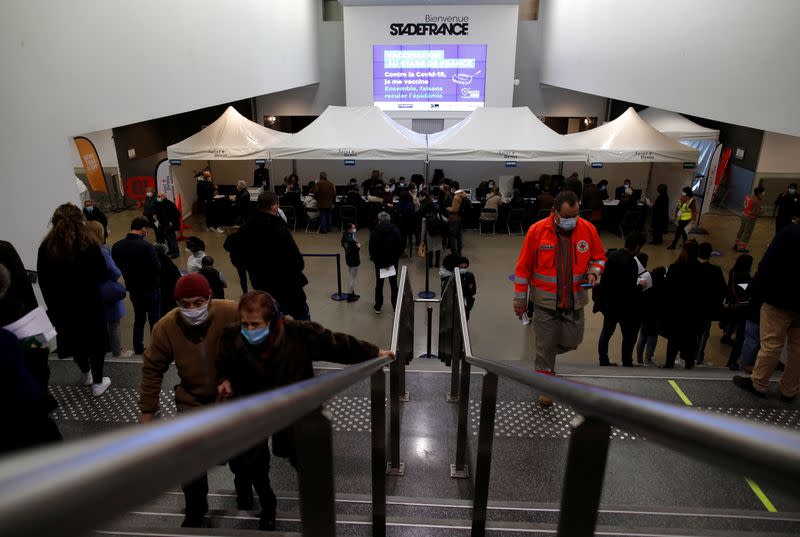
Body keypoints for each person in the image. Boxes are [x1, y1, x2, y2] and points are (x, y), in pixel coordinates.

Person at [216, 291, 394, 529]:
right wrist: (225, 378)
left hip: (294, 411)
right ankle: (268, 506)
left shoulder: (300, 334)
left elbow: (337, 345)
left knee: (303, 458)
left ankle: (316, 508)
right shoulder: (231, 337)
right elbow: (223, 362)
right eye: (245, 324)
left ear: (274, 320)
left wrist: (373, 353)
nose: (249, 330)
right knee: (254, 462)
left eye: (255, 324)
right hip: (253, 409)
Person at [138, 273, 239, 527]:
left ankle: (245, 489)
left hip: (231, 398)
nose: (192, 309)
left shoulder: (232, 312)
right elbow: (152, 367)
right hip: (192, 400)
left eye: (197, 302)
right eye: (184, 304)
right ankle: (195, 510)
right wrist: (148, 412)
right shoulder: (166, 327)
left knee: (243, 456)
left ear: (209, 297)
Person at [512, 191, 607, 406]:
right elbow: (523, 269)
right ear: (555, 212)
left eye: (575, 215)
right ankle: (546, 385)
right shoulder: (537, 231)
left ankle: (546, 357)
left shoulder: (587, 229)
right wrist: (519, 301)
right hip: (545, 303)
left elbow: (599, 257)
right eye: (567, 216)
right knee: (545, 348)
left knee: (572, 340)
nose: (571, 221)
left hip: (574, 300)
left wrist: (593, 272)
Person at [38, 203, 111, 396]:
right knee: (95, 344)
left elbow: (44, 281)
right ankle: (97, 382)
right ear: (81, 221)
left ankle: (86, 374)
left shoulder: (46, 248)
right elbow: (103, 275)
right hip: (89, 305)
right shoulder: (89, 244)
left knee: (75, 342)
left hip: (62, 307)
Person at [732, 224, 800, 400]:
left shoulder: (790, 233)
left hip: (779, 298)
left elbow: (767, 264)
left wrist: (755, 291)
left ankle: (759, 384)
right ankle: (789, 389)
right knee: (798, 349)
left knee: (771, 344)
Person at [0, 241, 57, 411]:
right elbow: (24, 285)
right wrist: (37, 320)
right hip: (22, 322)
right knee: (37, 361)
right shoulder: (4, 249)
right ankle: (42, 398)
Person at [239, 192, 310, 320]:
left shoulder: (246, 227)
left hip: (262, 286)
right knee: (303, 322)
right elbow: (297, 261)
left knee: (273, 323)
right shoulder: (279, 227)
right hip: (287, 286)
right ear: (274, 207)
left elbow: (236, 253)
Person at [112, 216, 162, 356]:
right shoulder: (147, 246)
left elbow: (116, 268)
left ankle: (138, 348)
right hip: (151, 287)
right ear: (144, 229)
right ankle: (157, 348)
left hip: (134, 289)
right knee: (155, 320)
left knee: (139, 319)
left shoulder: (117, 246)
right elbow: (157, 267)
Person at [595, 232, 647, 367]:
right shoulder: (631, 262)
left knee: (606, 332)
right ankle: (627, 361)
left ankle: (603, 360)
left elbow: (605, 281)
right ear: (637, 247)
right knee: (628, 335)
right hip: (625, 306)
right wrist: (640, 287)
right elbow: (629, 288)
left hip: (609, 303)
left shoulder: (611, 256)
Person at [86, 221, 132, 359]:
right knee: (114, 322)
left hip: (92, 290)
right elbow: (113, 271)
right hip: (107, 290)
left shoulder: (83, 248)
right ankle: (117, 351)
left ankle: (106, 348)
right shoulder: (100, 249)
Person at [663, 240, 704, 369]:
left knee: (673, 341)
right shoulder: (700, 269)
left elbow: (668, 290)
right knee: (691, 340)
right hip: (693, 311)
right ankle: (689, 365)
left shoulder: (675, 268)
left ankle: (669, 364)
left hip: (676, 311)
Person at [695, 242, 728, 365]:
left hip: (690, 307)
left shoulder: (690, 267)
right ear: (710, 254)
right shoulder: (715, 270)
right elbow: (723, 289)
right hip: (707, 309)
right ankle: (698, 357)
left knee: (688, 331)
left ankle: (683, 355)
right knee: (703, 334)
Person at [369, 211, 402, 314]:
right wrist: (395, 260)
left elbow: (371, 248)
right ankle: (395, 305)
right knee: (393, 285)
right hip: (392, 263)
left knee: (379, 284)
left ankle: (378, 306)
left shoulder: (374, 232)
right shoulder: (396, 231)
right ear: (389, 219)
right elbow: (399, 247)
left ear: (379, 220)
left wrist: (375, 260)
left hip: (379, 263)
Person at [636, 266, 666, 366]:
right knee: (652, 337)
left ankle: (639, 359)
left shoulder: (648, 288)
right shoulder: (664, 287)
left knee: (643, 336)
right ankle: (648, 358)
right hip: (656, 316)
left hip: (645, 315)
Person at [154, 243, 182, 316]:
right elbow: (177, 277)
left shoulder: (152, 261)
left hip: (157, 290)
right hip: (169, 290)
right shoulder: (168, 263)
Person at [734, 186, 765, 253]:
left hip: (743, 214)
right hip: (750, 217)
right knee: (747, 233)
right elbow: (756, 212)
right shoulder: (757, 201)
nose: (763, 194)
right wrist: (761, 212)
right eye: (762, 193)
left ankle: (736, 244)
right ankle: (741, 248)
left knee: (741, 229)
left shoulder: (749, 197)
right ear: (759, 193)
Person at [153, 192, 181, 258]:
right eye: (158, 196)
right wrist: (155, 215)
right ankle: (171, 250)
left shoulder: (170, 204)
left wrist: (172, 222)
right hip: (163, 224)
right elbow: (157, 212)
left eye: (159, 196)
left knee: (172, 238)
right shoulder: (158, 204)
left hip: (170, 224)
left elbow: (177, 214)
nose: (158, 198)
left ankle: (176, 252)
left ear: (164, 196)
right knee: (167, 238)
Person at [445, 182, 468, 255]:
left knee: (452, 237)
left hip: (454, 219)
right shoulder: (462, 195)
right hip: (460, 218)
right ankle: (459, 251)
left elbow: (454, 209)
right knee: (459, 236)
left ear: (453, 188)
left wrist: (448, 208)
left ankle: (454, 253)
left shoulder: (456, 197)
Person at [341, 222, 361, 303]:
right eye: (353, 228)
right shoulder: (351, 240)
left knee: (351, 276)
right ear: (349, 229)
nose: (354, 229)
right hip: (354, 260)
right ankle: (350, 296)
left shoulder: (344, 236)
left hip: (348, 258)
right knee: (353, 279)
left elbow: (344, 245)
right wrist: (358, 246)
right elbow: (356, 249)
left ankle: (352, 294)